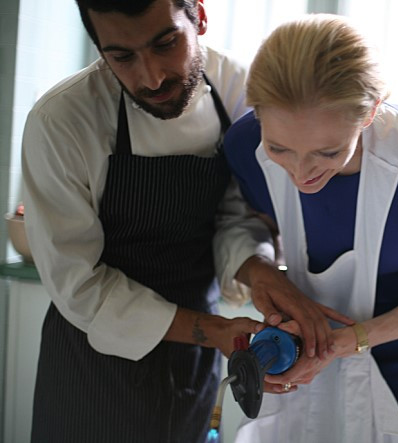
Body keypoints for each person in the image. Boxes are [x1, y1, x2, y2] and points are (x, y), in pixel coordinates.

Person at [21, 2, 350, 442]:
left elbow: (233, 215)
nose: (152, 77)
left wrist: (259, 272)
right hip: (93, 362)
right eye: (122, 57)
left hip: (197, 357)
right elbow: (78, 284)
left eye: (166, 44)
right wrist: (213, 331)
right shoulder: (62, 121)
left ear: (199, 15)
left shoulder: (238, 89)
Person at [223, 14, 398, 443]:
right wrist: (267, 277)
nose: (301, 173)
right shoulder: (242, 146)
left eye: (327, 152)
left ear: (371, 113)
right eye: (279, 148)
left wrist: (346, 341)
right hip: (298, 341)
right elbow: (258, 227)